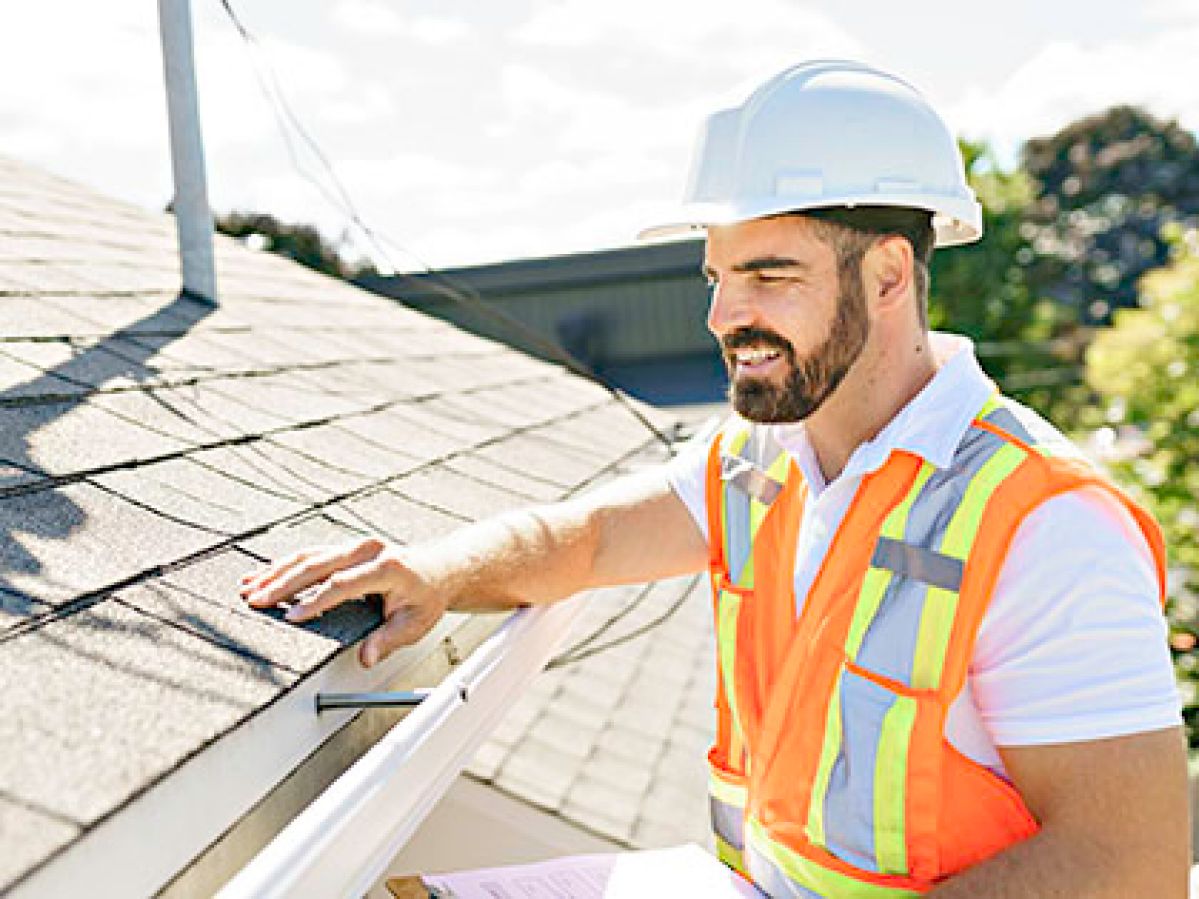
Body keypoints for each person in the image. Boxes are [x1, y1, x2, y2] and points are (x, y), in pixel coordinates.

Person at [241, 60, 1189, 897]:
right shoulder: (760, 455)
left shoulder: (1043, 522)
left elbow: (1129, 863)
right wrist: (434, 571)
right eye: (715, 276)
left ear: (890, 275)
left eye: (769, 276)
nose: (725, 315)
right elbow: (592, 538)